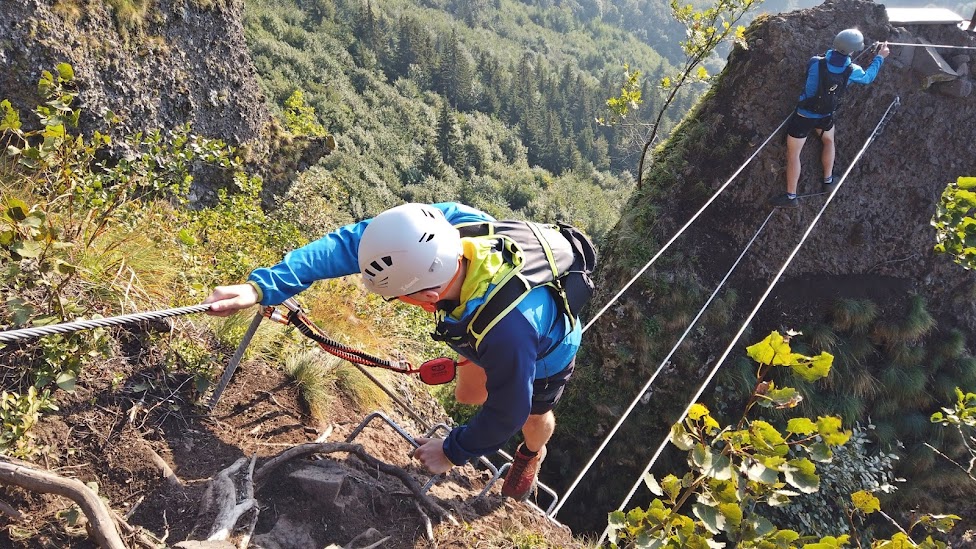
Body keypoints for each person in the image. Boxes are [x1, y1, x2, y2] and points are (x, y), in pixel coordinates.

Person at [204, 202, 582, 501]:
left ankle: (533, 455)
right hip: (485, 327)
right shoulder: (449, 227)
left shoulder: (508, 336)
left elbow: (508, 411)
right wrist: (262, 287)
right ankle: (484, 371)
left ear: (429, 297)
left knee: (531, 415)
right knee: (469, 395)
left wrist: (452, 451)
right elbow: (356, 244)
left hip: (545, 349)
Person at [769, 29, 890, 208]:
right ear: (853, 51)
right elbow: (868, 78)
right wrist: (880, 56)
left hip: (804, 116)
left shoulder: (814, 62)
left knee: (793, 154)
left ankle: (791, 196)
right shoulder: (852, 70)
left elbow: (818, 70)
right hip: (825, 116)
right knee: (828, 141)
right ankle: (828, 180)